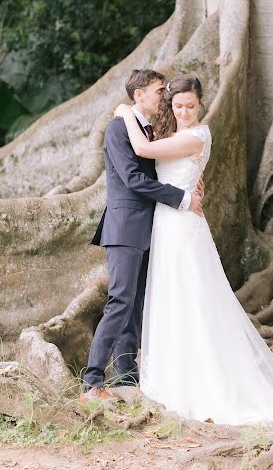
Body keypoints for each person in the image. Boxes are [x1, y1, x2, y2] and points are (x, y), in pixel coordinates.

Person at [112, 74, 273, 429]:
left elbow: (143, 151)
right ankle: (170, 381)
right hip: (166, 224)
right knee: (169, 298)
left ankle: (206, 384)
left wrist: (124, 113)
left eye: (190, 105)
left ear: (201, 105)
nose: (184, 112)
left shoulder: (199, 135)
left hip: (184, 228)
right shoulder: (173, 135)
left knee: (194, 299)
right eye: (177, 105)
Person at [81, 69, 204, 402]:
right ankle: (91, 382)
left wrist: (188, 184)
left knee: (135, 305)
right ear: (138, 95)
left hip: (153, 228)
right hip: (125, 227)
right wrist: (182, 198)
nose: (163, 96)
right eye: (158, 90)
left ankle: (126, 377)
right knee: (120, 301)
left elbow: (161, 166)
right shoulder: (119, 128)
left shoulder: (150, 130)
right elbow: (134, 179)